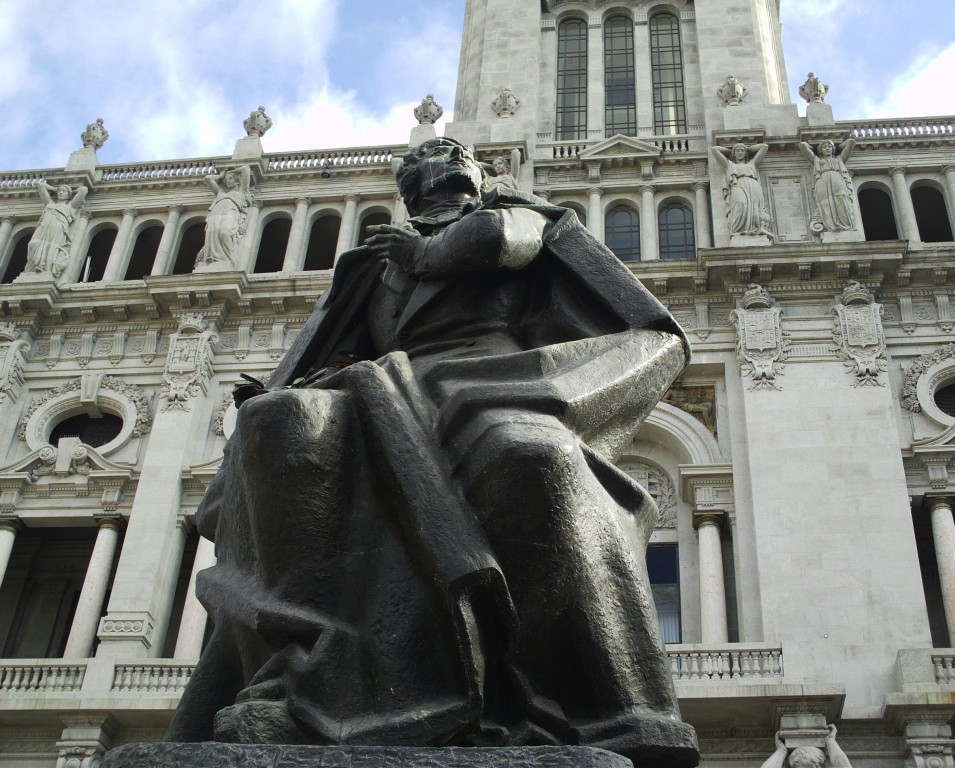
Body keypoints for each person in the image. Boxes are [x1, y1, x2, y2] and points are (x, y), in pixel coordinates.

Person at [167, 138, 697, 767]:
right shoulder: (370, 266)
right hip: (386, 389)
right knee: (276, 423)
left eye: (452, 156)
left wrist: (427, 252)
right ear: (406, 189)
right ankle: (302, 672)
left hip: (498, 381)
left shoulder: (523, 222)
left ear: (478, 175)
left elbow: (506, 242)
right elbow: (331, 349)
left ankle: (553, 698)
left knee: (527, 457)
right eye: (421, 163)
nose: (438, 165)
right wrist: (287, 387)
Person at [26, 181, 89, 277]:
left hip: (58, 227)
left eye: (63, 191)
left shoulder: (71, 206)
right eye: (59, 191)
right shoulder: (49, 203)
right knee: (33, 244)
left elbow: (84, 190)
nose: (60, 193)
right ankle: (32, 267)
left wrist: (71, 190)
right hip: (44, 226)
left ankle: (45, 269)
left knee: (52, 247)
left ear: (68, 195)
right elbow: (41, 185)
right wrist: (56, 189)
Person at [711, 142, 773, 238]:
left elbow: (764, 147)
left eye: (742, 151)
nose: (740, 152)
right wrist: (730, 150)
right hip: (737, 184)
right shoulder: (729, 165)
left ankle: (754, 229)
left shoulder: (752, 164)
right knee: (740, 205)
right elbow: (715, 149)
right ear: (734, 153)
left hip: (753, 185)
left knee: (755, 208)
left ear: (745, 153)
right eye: (738, 150)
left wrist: (748, 148)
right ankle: (738, 230)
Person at [197, 166, 253, 266]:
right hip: (215, 214)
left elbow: (246, 169)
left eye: (230, 179)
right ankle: (214, 259)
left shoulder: (242, 192)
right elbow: (208, 178)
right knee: (212, 233)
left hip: (230, 212)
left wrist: (231, 171)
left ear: (238, 181)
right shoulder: (220, 193)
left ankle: (228, 260)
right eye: (226, 180)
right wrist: (221, 175)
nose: (227, 182)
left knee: (225, 232)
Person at [799, 138, 856, 232]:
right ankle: (831, 227)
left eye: (829, 147)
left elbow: (851, 142)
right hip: (822, 181)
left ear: (833, 149)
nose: (827, 149)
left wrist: (837, 145)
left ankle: (845, 226)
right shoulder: (817, 161)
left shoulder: (839, 159)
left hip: (837, 178)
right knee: (825, 203)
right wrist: (814, 147)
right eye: (824, 147)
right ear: (821, 150)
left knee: (842, 200)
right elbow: (803, 145)